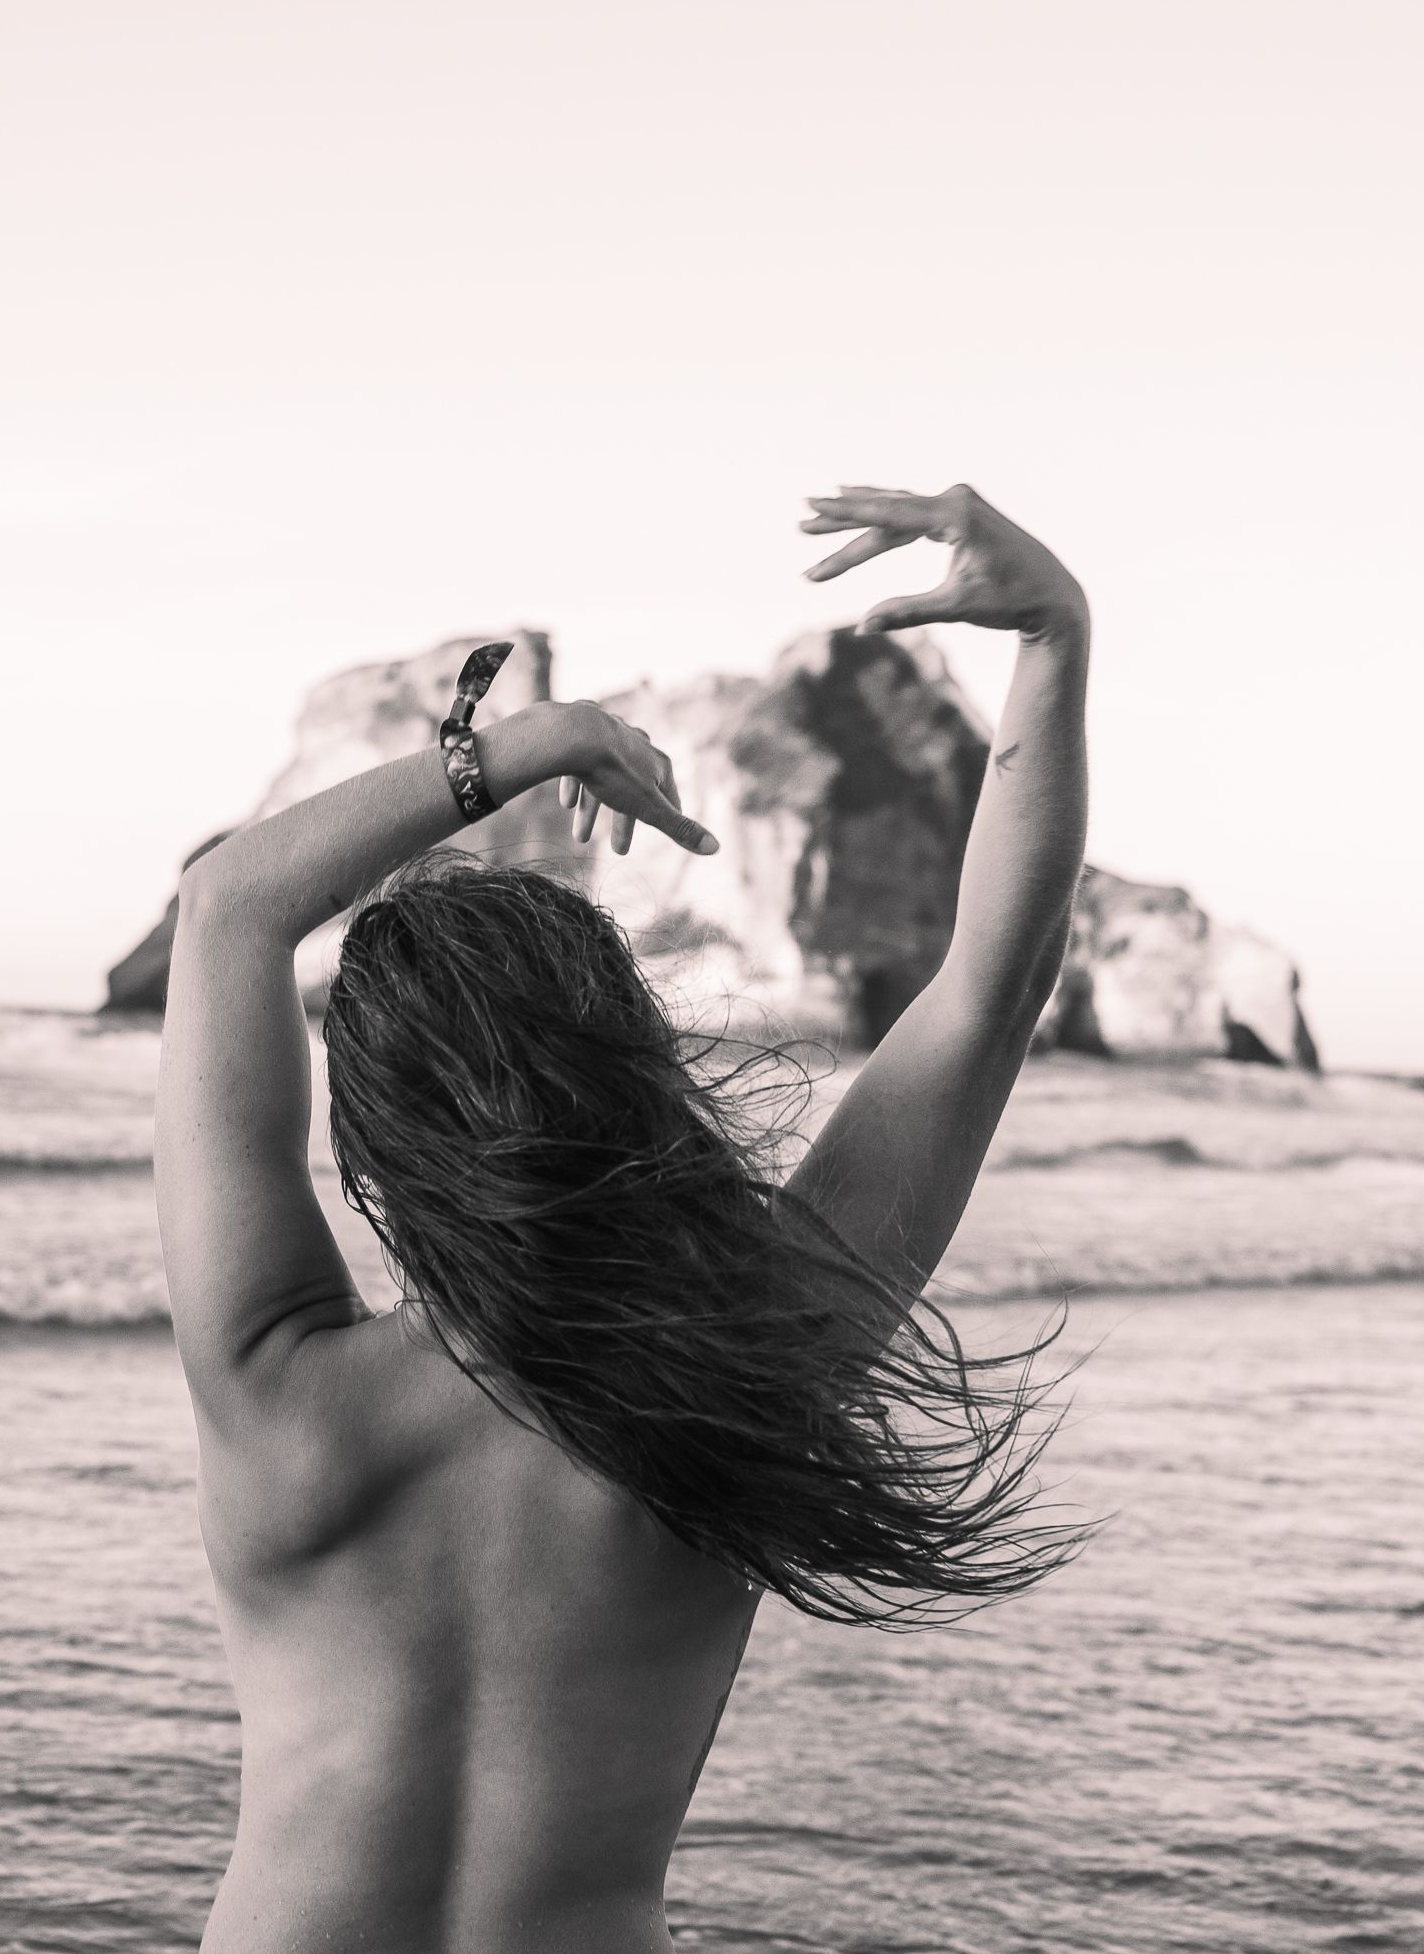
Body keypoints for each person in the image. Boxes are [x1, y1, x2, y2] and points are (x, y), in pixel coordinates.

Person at [156, 483, 1092, 1951]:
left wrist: (529, 747)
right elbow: (992, 982)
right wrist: (1053, 638)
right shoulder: (734, 1375)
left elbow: (227, 913)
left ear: (370, 1151)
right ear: (632, 1080)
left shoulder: (281, 1396)